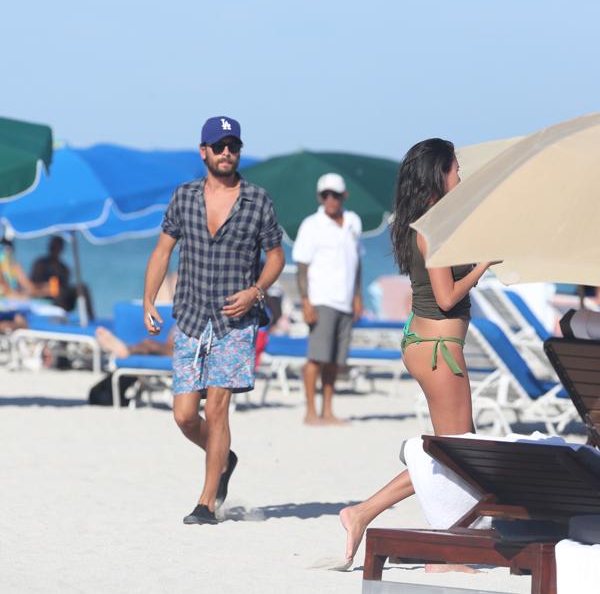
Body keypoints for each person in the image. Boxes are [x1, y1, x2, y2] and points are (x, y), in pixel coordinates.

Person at [338, 138, 500, 568]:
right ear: (439, 173)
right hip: (439, 350)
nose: (460, 177)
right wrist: (482, 265)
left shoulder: (422, 222)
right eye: (455, 169)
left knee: (453, 451)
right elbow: (446, 298)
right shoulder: (434, 228)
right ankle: (443, 553)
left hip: (424, 343)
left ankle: (363, 512)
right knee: (459, 454)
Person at [143, 116, 285, 525]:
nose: (227, 153)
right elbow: (162, 251)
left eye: (233, 146)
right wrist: (149, 300)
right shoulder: (184, 196)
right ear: (203, 151)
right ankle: (223, 457)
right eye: (219, 146)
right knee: (185, 415)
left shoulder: (257, 200)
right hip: (189, 316)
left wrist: (256, 291)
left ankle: (206, 503)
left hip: (234, 321)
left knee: (219, 408)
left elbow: (276, 256)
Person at [292, 173, 362, 425]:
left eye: (334, 194)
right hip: (322, 298)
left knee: (335, 361)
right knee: (316, 357)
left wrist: (357, 296)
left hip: (345, 300)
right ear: (320, 197)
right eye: (325, 195)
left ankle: (328, 411)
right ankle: (311, 412)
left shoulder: (353, 222)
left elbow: (357, 261)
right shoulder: (311, 225)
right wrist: (306, 301)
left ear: (344, 196)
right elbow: (302, 265)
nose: (330, 200)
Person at [30, 235, 95, 320]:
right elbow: (33, 284)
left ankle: (91, 319)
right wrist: (48, 287)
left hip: (63, 297)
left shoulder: (64, 268)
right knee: (58, 291)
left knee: (82, 288)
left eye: (57, 247)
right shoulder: (40, 263)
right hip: (45, 294)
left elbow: (66, 285)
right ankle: (62, 319)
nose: (54, 249)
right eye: (53, 246)